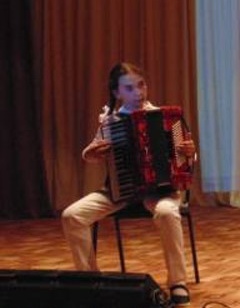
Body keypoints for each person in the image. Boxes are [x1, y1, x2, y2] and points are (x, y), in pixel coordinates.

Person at [61, 62, 196, 307]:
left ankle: (177, 282)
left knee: (167, 212)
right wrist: (91, 153)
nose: (138, 93)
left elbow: (187, 158)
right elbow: (91, 152)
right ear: (117, 92)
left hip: (161, 191)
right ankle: (90, 281)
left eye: (141, 85)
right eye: (130, 88)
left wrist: (189, 152)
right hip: (121, 191)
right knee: (72, 216)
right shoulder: (111, 122)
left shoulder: (166, 118)